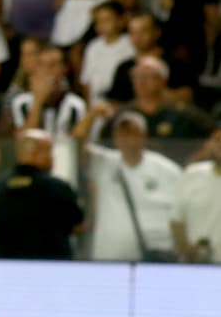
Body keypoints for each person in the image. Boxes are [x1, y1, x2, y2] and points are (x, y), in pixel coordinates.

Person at [74, 109, 181, 262]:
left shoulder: (167, 170)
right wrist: (91, 116)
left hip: (154, 256)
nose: (126, 139)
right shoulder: (103, 163)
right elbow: (76, 143)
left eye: (132, 133)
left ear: (143, 136)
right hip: (110, 254)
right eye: (122, 134)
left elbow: (180, 211)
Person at [0, 129, 84, 259]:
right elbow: (78, 227)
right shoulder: (57, 188)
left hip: (7, 269)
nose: (52, 157)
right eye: (49, 151)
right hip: (50, 268)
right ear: (37, 154)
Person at [171, 129, 221, 264]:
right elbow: (176, 220)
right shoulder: (192, 174)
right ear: (209, 144)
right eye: (217, 140)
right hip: (195, 266)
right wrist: (186, 250)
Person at [79, 0, 135, 104]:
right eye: (98, 21)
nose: (102, 25)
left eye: (106, 20)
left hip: (120, 101)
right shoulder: (93, 47)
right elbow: (87, 80)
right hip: (96, 102)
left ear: (121, 20)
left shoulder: (130, 44)